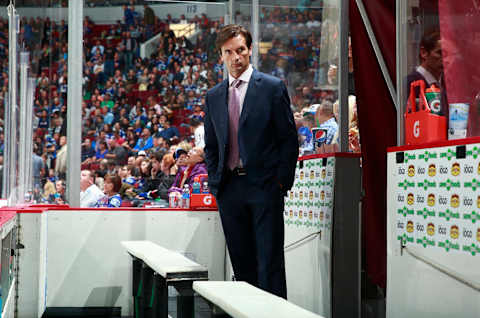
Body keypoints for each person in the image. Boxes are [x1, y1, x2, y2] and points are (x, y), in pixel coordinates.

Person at [204, 24, 298, 298]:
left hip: (265, 187)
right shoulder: (212, 97)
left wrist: (281, 183)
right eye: (229, 52)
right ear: (221, 56)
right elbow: (211, 147)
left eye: (241, 50)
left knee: (270, 263)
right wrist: (216, 185)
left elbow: (288, 140)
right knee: (242, 267)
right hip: (229, 190)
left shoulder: (271, 87)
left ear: (250, 50)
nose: (236, 57)